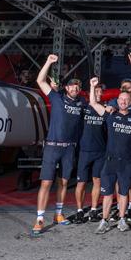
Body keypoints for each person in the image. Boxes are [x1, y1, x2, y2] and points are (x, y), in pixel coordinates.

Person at [32, 54, 85, 235]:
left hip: (69, 148)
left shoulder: (81, 102)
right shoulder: (56, 98)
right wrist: (48, 61)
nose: (75, 88)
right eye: (71, 85)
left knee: (63, 183)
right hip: (52, 147)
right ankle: (39, 218)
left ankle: (58, 214)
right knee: (46, 183)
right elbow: (40, 80)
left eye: (77, 86)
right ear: (66, 87)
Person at [88, 78, 131, 235]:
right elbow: (94, 104)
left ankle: (122, 219)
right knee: (108, 193)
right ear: (117, 101)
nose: (123, 102)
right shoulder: (110, 115)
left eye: (126, 100)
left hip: (127, 162)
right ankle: (104, 220)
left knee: (123, 192)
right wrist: (92, 86)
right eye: (121, 99)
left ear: (130, 102)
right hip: (110, 162)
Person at [72, 83, 107, 225]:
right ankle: (80, 211)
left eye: (100, 92)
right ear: (90, 93)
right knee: (81, 182)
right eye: (96, 91)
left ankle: (93, 209)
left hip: (100, 151)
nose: (98, 94)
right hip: (85, 151)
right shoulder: (83, 107)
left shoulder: (104, 109)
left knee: (97, 181)